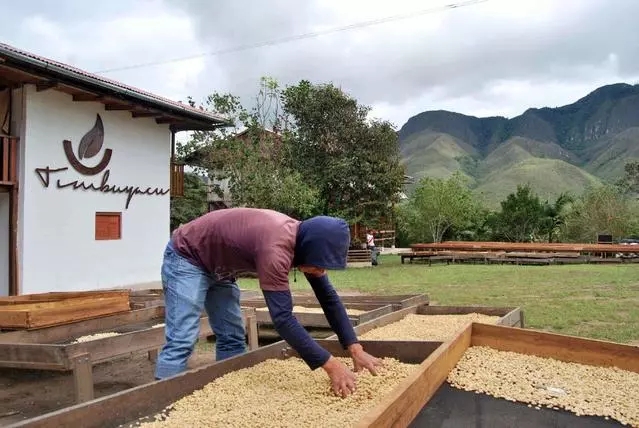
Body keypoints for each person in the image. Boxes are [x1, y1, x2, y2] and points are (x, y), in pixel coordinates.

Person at [154, 207, 383, 397]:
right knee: (182, 338)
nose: (321, 271)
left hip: (220, 268)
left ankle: (228, 394)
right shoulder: (276, 249)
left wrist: (355, 348)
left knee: (232, 337)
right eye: (320, 264)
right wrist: (332, 365)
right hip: (188, 256)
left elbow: (329, 299)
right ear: (309, 249)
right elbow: (282, 319)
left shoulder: (304, 241)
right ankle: (163, 407)